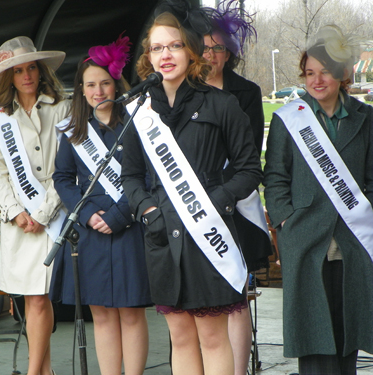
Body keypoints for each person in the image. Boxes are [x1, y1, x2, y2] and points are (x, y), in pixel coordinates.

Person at [121, 1, 263, 374]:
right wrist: (148, 211)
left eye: (173, 45)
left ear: (190, 50)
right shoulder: (140, 110)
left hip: (209, 232)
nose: (165, 55)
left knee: (212, 338)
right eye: (156, 48)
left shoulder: (222, 104)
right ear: (148, 57)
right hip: (162, 237)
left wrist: (216, 203)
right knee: (181, 337)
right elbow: (130, 176)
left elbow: (249, 170)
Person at [264, 24, 373, 375]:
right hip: (305, 239)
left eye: (325, 71)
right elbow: (275, 177)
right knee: (313, 338)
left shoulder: (366, 118)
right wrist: (286, 223)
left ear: (342, 74)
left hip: (353, 240)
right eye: (309, 73)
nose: (316, 80)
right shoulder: (289, 119)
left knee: (348, 333)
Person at [50, 34, 152, 375]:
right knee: (102, 314)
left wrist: (121, 214)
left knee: (131, 311)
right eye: (89, 85)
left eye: (104, 83)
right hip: (91, 232)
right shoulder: (73, 130)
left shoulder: (139, 124)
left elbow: (151, 177)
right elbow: (63, 178)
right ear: (81, 89)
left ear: (116, 84)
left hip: (129, 227)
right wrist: (89, 214)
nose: (98, 91)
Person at [0, 36, 70, 375]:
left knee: (38, 297)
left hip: (52, 215)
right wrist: (17, 212)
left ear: (40, 70)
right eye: (18, 70)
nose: (27, 75)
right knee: (30, 298)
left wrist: (42, 212)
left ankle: (34, 372)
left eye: (31, 67)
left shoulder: (61, 107)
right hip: (18, 220)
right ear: (9, 76)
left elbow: (67, 168)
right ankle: (44, 371)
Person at [201, 2, 273, 374]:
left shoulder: (247, 92)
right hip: (194, 205)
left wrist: (223, 195)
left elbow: (250, 159)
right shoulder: (186, 90)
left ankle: (238, 369)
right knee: (202, 299)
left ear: (229, 53)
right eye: (204, 48)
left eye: (218, 49)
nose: (210, 55)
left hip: (235, 204)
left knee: (236, 295)